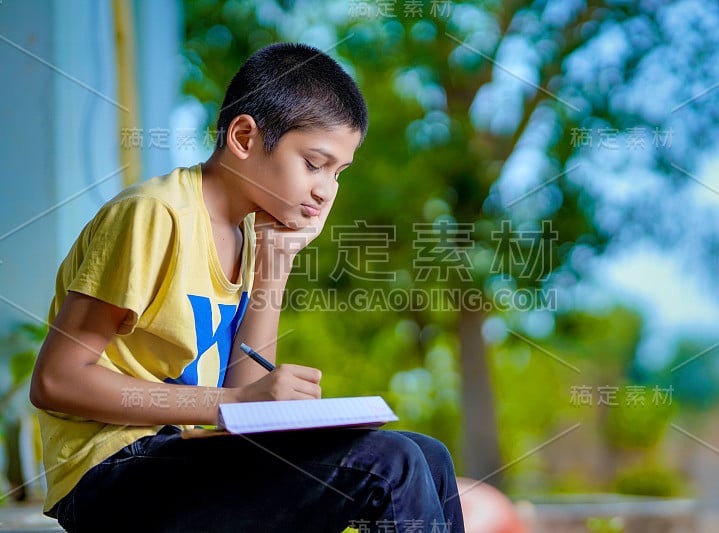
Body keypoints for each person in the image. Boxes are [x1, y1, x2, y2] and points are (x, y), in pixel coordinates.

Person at [30, 42, 465, 533]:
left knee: (429, 457)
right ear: (243, 137)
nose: (327, 191)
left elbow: (242, 395)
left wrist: (277, 262)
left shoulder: (254, 236)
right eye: (314, 163)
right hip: (110, 473)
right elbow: (56, 381)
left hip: (188, 456)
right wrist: (235, 404)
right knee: (390, 464)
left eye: (339, 173)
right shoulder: (155, 215)